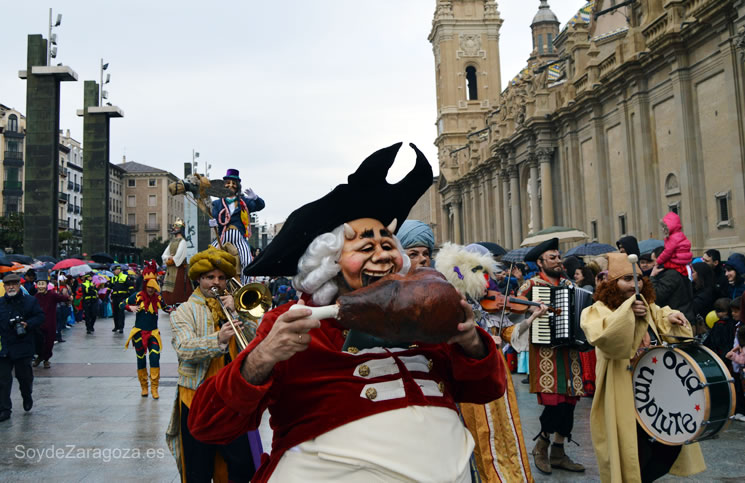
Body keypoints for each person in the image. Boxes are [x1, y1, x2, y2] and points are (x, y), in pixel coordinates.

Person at [186, 143, 504, 482]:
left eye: (388, 245)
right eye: (366, 247)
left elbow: (486, 391)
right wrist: (261, 358)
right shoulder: (294, 325)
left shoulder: (423, 316)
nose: (383, 255)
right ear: (328, 265)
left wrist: (470, 341)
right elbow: (208, 425)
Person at [580, 253, 705, 482]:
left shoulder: (648, 306)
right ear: (611, 283)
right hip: (623, 394)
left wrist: (672, 316)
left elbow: (662, 315)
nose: (634, 284)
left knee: (671, 444)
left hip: (655, 393)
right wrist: (628, 312)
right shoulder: (595, 310)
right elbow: (606, 337)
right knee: (633, 452)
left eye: (638, 278)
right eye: (627, 278)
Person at [435, 242, 546, 482]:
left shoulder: (489, 307)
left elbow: (509, 334)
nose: (486, 280)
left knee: (505, 431)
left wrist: (532, 317)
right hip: (472, 378)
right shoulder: (454, 306)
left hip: (498, 373)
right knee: (482, 435)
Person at [165, 247, 261, 482]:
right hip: (196, 398)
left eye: (221, 277)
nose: (216, 283)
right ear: (199, 279)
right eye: (210, 277)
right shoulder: (184, 311)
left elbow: (256, 341)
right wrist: (217, 339)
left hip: (231, 397)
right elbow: (184, 348)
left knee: (243, 465)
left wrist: (241, 313)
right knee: (198, 468)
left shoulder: (235, 307)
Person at [517, 237, 586, 475]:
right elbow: (516, 307)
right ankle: (541, 446)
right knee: (553, 403)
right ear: (540, 261)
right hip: (545, 352)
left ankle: (558, 452)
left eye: (558, 257)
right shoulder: (531, 284)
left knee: (569, 403)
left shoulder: (569, 284)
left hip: (570, 352)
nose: (558, 261)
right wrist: (532, 307)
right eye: (552, 258)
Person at [0, 272, 45, 422]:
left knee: (24, 377)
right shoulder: (1, 303)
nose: (11, 287)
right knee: (3, 380)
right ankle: (5, 409)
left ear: (19, 285)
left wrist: (27, 324)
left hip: (23, 345)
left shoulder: (30, 301)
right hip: (4, 347)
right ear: (4, 286)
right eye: (8, 285)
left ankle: (27, 396)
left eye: (14, 284)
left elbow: (40, 317)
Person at [210, 169, 265, 284]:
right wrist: (213, 222)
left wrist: (255, 198)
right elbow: (214, 216)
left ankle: (244, 286)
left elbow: (260, 206)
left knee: (247, 261)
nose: (231, 185)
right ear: (224, 185)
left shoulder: (244, 202)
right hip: (222, 237)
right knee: (208, 257)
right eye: (228, 183)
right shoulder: (217, 203)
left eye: (234, 183)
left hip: (239, 238)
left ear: (237, 186)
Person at [123, 261, 167, 399]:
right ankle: (144, 387)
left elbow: (167, 308)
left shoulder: (158, 298)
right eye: (149, 287)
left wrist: (176, 309)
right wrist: (129, 307)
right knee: (141, 359)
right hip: (139, 333)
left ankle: (155, 388)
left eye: (153, 287)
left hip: (153, 333)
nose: (151, 290)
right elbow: (120, 304)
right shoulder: (137, 296)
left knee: (155, 357)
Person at [32, 272, 70, 369]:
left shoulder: (52, 295)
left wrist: (68, 297)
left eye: (42, 284)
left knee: (49, 343)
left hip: (50, 324)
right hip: (39, 325)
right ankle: (39, 357)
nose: (40, 286)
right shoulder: (35, 297)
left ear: (46, 285)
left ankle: (46, 360)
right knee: (39, 343)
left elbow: (63, 298)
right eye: (39, 284)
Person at [650, 246, 695, 324]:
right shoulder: (678, 269)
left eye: (654, 261)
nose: (653, 264)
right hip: (682, 315)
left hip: (678, 319)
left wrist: (652, 277)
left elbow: (657, 295)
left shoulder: (671, 274)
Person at [161, 218, 193, 306]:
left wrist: (171, 258)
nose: (175, 228)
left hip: (179, 269)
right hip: (170, 269)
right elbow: (164, 255)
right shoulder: (172, 242)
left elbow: (178, 257)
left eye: (177, 227)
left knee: (179, 288)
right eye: (174, 226)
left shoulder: (183, 241)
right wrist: (169, 258)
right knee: (168, 289)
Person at [655, 212, 693, 278]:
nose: (663, 229)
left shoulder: (672, 238)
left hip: (676, 261)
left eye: (664, 227)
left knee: (661, 270)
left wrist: (658, 261)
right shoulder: (681, 235)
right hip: (684, 262)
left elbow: (667, 252)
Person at [691, 262, 716, 333]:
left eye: (693, 272)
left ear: (700, 273)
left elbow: (695, 306)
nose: (691, 274)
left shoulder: (708, 291)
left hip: (704, 325)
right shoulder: (693, 286)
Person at [109, 264, 134, 334]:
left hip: (122, 297)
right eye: (114, 271)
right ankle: (116, 326)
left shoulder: (125, 277)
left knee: (121, 313)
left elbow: (131, 287)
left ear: (119, 270)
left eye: (115, 270)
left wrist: (132, 297)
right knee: (115, 313)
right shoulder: (113, 278)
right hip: (115, 298)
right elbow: (109, 287)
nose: (114, 272)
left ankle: (121, 327)